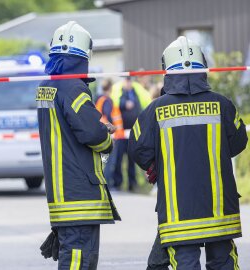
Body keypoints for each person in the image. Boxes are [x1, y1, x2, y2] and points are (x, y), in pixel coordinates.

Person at [129, 36, 248, 269]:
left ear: (167, 70)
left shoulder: (155, 109)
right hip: (219, 211)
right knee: (224, 263)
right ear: (203, 66)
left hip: (178, 214)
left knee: (185, 264)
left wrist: (156, 166)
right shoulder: (222, 104)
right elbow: (239, 142)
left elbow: (137, 148)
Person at [37, 21, 120, 270]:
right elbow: (91, 133)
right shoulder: (74, 87)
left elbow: (69, 128)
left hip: (61, 190)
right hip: (79, 192)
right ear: (85, 54)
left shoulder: (47, 87)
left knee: (72, 256)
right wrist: (107, 140)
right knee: (78, 260)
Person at [109, 76, 151, 191]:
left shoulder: (135, 92)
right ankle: (117, 183)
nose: (128, 84)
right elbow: (116, 104)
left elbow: (140, 107)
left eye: (130, 81)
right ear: (124, 82)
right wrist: (124, 104)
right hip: (121, 133)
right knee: (118, 159)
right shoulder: (119, 92)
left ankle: (132, 183)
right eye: (127, 81)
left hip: (133, 132)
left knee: (132, 159)